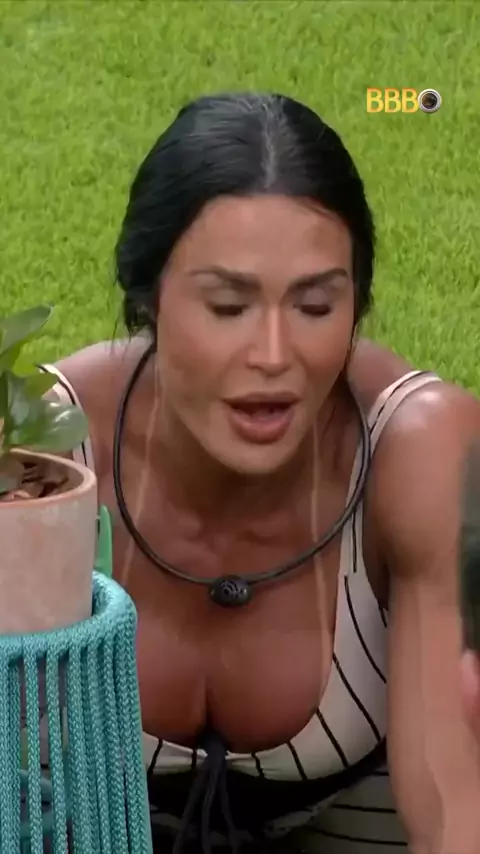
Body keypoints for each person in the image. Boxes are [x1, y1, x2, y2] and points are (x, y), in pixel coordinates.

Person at [41, 92, 480, 853]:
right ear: (148, 299)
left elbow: (453, 811)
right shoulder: (40, 453)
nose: (274, 356)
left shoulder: (420, 448)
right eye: (227, 306)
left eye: (315, 306)